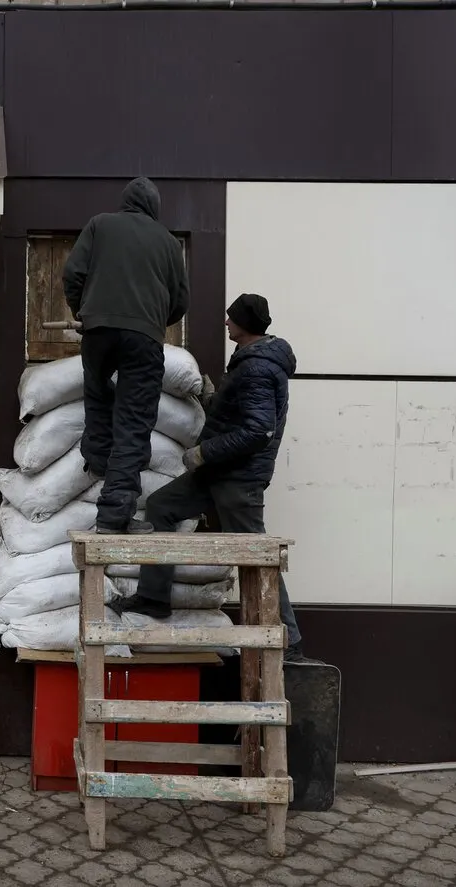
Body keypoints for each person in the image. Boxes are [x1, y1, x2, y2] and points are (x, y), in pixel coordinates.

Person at [108, 292, 313, 662]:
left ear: (245, 324)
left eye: (231, 318)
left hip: (238, 480)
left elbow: (258, 430)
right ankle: (154, 598)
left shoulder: (258, 368)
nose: (225, 323)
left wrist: (204, 452)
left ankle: (291, 641)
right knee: (162, 506)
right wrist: (212, 398)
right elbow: (242, 413)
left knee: (256, 557)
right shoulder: (251, 361)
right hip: (218, 473)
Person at [62, 177, 189, 535]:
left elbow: (73, 273)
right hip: (143, 338)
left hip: (97, 332)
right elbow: (180, 302)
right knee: (133, 424)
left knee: (99, 400)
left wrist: (84, 311)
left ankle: (101, 465)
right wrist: (150, 319)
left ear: (125, 202)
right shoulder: (167, 242)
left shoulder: (100, 224)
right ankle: (114, 515)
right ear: (154, 208)